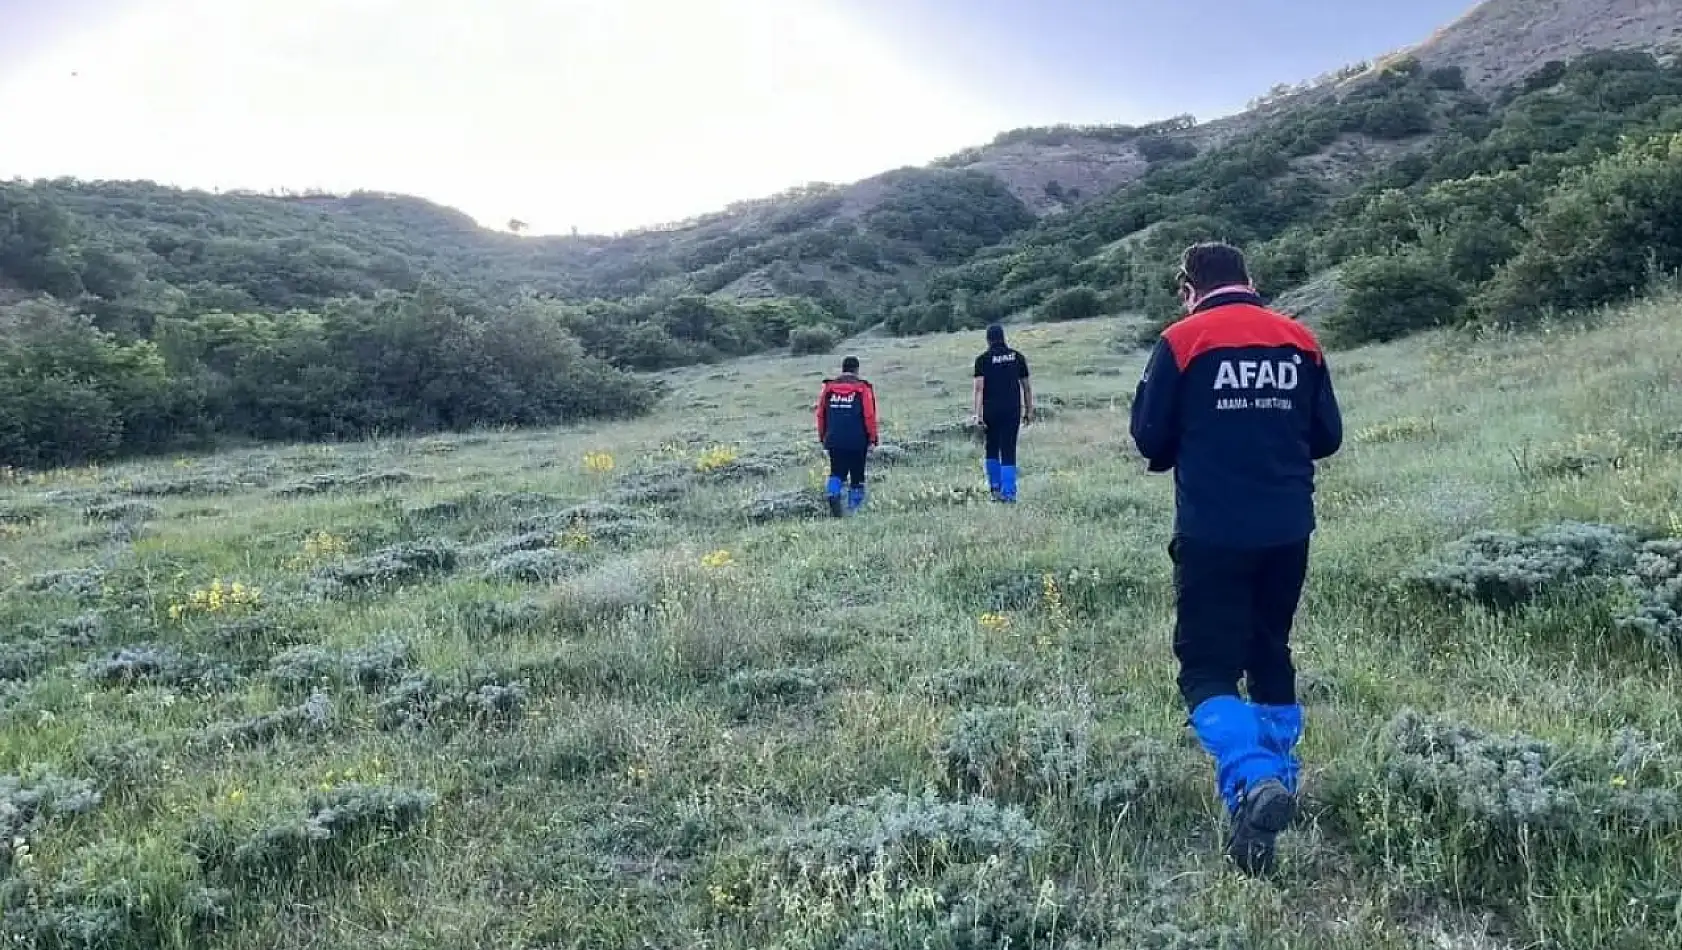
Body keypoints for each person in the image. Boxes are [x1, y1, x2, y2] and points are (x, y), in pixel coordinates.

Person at [1129, 242, 1343, 877]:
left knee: (1205, 669)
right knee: (1270, 651)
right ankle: (1277, 784)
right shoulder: (1300, 339)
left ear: (1188, 286)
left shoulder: (1182, 339)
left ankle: (1251, 779)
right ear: (1250, 280)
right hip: (1287, 529)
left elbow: (1149, 437)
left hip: (1212, 531)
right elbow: (1327, 436)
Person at [972, 324, 1033, 503]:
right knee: (1008, 449)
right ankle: (1009, 494)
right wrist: (1029, 410)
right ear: (1003, 337)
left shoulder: (982, 360)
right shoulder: (1017, 357)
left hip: (991, 410)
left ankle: (995, 489)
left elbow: (979, 389)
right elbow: (1027, 388)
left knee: (991, 448)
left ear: (988, 339)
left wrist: (978, 414)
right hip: (1012, 409)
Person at [816, 355, 878, 517]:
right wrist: (872, 438)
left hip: (834, 439)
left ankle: (833, 494)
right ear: (857, 370)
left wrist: (823, 437)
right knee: (857, 476)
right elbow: (869, 415)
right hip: (858, 440)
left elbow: (820, 414)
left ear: (843, 370)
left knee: (836, 472)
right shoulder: (862, 389)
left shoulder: (829, 388)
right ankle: (853, 509)